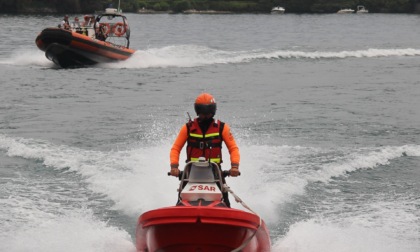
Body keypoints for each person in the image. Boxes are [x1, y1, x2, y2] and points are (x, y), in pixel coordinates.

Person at [169, 93, 240, 207]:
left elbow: (233, 149)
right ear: (197, 111)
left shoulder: (222, 128)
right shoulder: (188, 128)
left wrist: (234, 167)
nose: (206, 115)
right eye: (203, 112)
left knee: (226, 202)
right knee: (180, 200)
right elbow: (175, 148)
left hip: (215, 172)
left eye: (208, 112)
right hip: (191, 172)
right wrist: (174, 167)